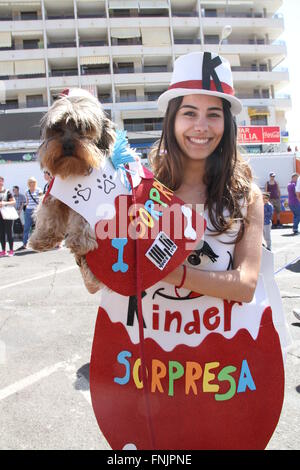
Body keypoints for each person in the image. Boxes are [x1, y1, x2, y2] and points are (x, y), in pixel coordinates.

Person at [17, 177, 42, 250]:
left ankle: (39, 243)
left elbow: (41, 200)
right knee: (26, 228)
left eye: (34, 182)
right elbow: (27, 201)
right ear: (29, 183)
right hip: (28, 210)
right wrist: (25, 209)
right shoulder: (27, 191)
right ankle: (25, 244)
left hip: (36, 210)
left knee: (38, 227)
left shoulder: (39, 190)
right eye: (31, 182)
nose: (32, 183)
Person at [0, 176, 16, 256]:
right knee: (1, 233)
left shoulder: (7, 191)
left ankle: (11, 250)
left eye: (0, 181)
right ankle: (3, 250)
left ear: (3, 182)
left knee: (9, 232)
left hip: (7, 214)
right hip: (0, 216)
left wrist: (4, 203)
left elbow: (13, 202)